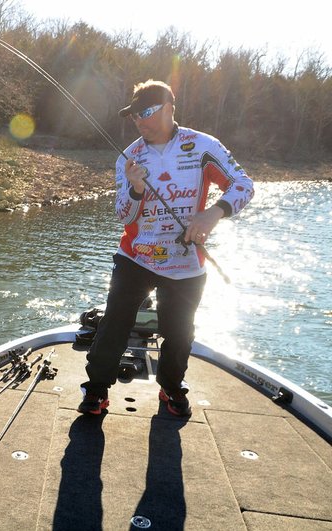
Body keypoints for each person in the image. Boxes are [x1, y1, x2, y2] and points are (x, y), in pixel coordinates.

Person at [77, 79, 254, 417]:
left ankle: (171, 389)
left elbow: (244, 185)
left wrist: (214, 212)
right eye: (134, 115)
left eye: (146, 112)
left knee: (180, 333)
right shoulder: (129, 157)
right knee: (113, 324)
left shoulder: (203, 146)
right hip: (135, 256)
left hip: (185, 262)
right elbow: (122, 215)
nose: (140, 120)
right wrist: (136, 188)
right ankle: (96, 390)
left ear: (169, 108)